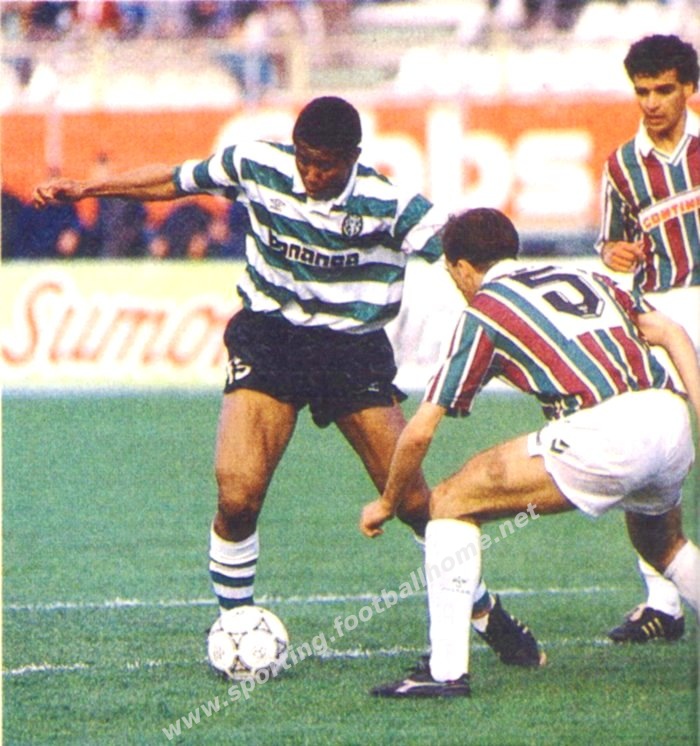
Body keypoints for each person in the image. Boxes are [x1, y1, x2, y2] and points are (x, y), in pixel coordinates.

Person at [32, 97, 542, 669]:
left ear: (354, 157)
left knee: (415, 504)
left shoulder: (391, 206)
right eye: (305, 159)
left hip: (351, 353)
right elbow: (175, 180)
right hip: (270, 339)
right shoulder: (258, 165)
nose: (312, 173)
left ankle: (485, 613)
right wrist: (89, 189)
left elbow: (470, 253)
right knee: (237, 496)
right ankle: (235, 627)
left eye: (326, 164)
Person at [361, 207, 699, 698]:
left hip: (606, 429)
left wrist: (387, 502)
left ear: (461, 267)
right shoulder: (584, 275)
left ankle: (445, 672)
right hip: (669, 417)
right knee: (663, 547)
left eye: (452, 271)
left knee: (451, 499)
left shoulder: (485, 309)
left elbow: (418, 433)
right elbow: (671, 332)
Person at [597, 34, 700, 643]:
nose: (653, 102)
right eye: (643, 91)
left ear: (689, 88)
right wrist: (613, 252)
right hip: (661, 313)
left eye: (665, 90)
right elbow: (612, 244)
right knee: (652, 452)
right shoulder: (622, 165)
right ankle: (664, 602)